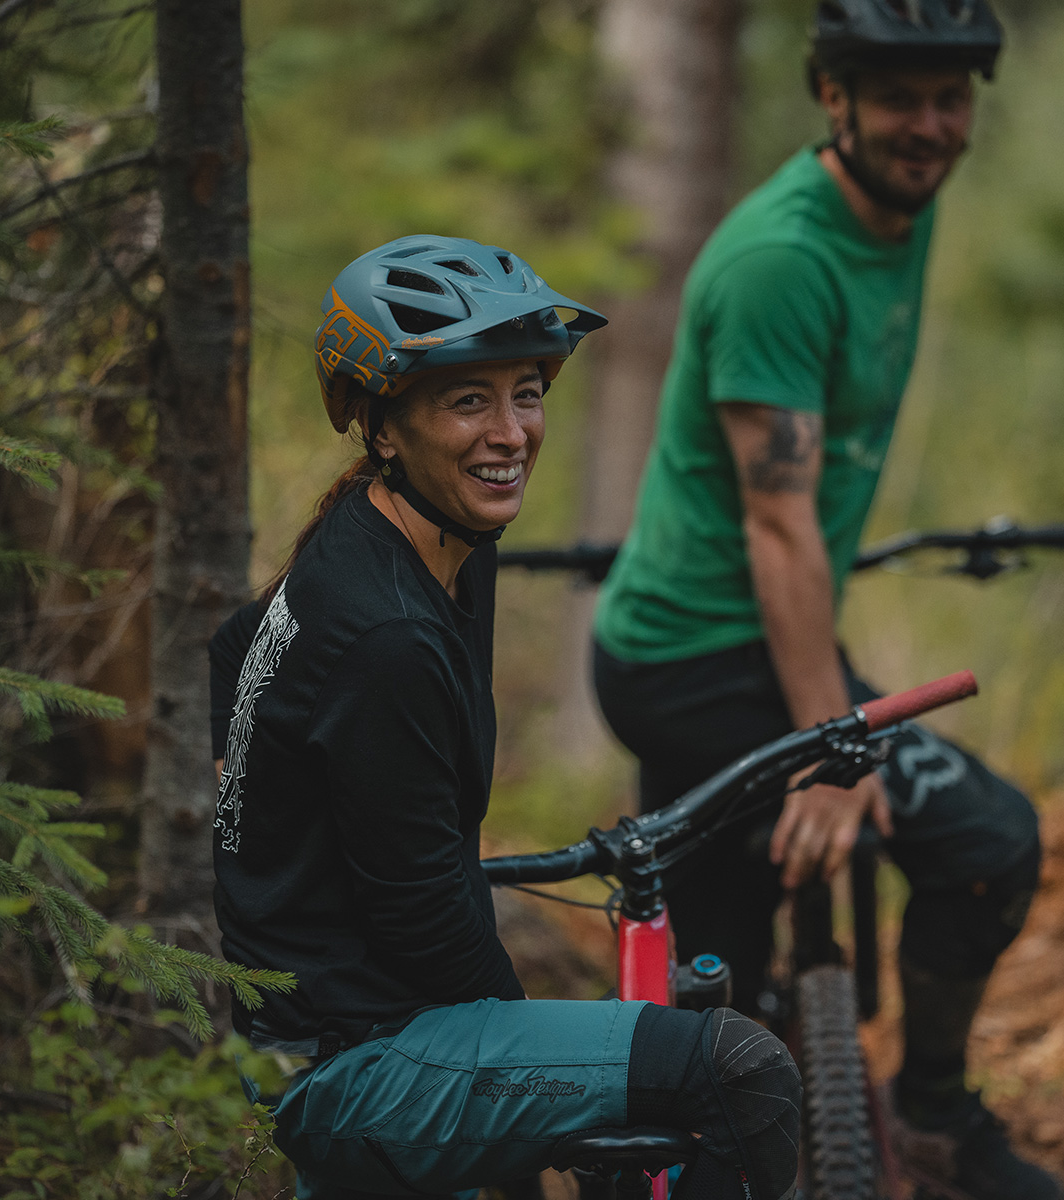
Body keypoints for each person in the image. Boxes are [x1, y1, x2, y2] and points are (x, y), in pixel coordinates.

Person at [209, 235, 800, 1200]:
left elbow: (237, 645)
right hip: (352, 1061)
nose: (512, 431)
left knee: (639, 1064)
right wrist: (533, 1082)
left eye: (525, 392)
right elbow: (423, 910)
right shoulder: (385, 635)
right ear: (384, 424)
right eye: (467, 399)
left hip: (340, 1022)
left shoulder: (424, 542)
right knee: (743, 1074)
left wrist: (273, 855)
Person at [591, 4, 1064, 1198]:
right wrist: (832, 748)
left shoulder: (898, 208)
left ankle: (934, 1119)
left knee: (985, 851)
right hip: (691, 662)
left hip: (766, 646)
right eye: (899, 96)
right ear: (833, 97)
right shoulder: (781, 264)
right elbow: (779, 521)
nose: (930, 126)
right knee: (723, 999)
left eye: (951, 97)